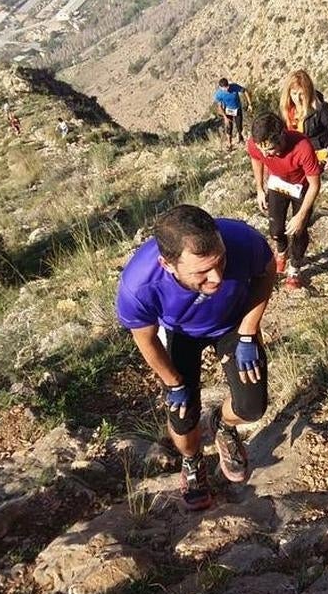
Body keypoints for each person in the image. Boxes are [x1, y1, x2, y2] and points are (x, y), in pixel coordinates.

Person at [116, 204, 276, 511]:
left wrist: (248, 330)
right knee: (183, 414)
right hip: (180, 334)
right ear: (167, 264)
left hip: (233, 324)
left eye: (221, 262)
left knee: (252, 407)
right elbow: (146, 339)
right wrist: (173, 383)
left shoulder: (241, 240)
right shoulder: (138, 285)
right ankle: (191, 463)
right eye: (201, 272)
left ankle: (222, 426)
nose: (216, 277)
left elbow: (266, 271)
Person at [247, 112, 321, 290]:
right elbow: (256, 159)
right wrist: (259, 188)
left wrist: (301, 216)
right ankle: (281, 251)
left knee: (298, 231)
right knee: (276, 230)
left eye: (270, 149)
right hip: (278, 184)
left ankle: (294, 268)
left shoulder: (303, 146)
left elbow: (314, 185)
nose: (265, 153)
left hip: (301, 188)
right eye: (262, 148)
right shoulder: (256, 144)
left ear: (281, 136)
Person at [280, 69, 328, 170]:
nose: (298, 98)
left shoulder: (320, 109)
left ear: (308, 91)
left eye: (301, 94)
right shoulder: (287, 111)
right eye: (294, 93)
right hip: (297, 159)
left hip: (318, 157)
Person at [214, 77, 252, 150]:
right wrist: (225, 118)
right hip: (228, 111)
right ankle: (229, 144)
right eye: (225, 88)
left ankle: (240, 139)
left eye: (227, 86)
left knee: (239, 127)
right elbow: (219, 107)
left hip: (237, 109)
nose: (227, 89)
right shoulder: (219, 94)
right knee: (229, 127)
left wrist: (250, 104)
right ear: (220, 87)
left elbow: (245, 91)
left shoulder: (234, 86)